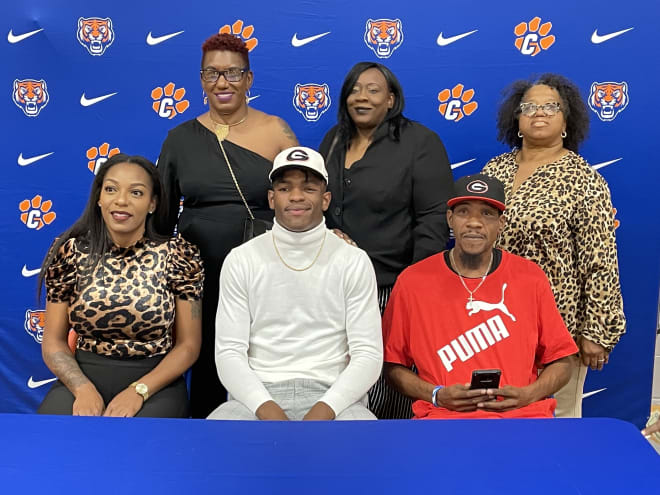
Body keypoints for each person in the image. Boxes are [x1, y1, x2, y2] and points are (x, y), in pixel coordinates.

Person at [156, 33, 299, 418]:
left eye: (233, 73)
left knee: (264, 353)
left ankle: (277, 433)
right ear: (201, 80)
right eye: (212, 73)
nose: (222, 83)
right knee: (207, 357)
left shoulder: (276, 131)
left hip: (267, 269)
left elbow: (301, 197)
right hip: (200, 274)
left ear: (249, 80)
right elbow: (161, 221)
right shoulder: (180, 139)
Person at [481, 73, 626, 417]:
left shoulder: (583, 178)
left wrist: (597, 331)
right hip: (491, 324)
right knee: (491, 417)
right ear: (516, 118)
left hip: (556, 330)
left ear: (566, 119)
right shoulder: (494, 170)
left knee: (553, 426)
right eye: (529, 106)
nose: (539, 112)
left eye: (550, 106)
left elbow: (600, 262)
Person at [318, 61, 454, 419]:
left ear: (391, 99)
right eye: (354, 89)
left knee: (386, 384)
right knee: (340, 383)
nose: (361, 97)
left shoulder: (420, 143)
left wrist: (415, 285)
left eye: (373, 90)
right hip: (335, 287)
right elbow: (318, 203)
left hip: (391, 286)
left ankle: (385, 456)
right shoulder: (333, 140)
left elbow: (434, 218)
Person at [383, 174, 578, 419]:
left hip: (522, 418)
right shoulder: (413, 281)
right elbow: (392, 365)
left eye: (487, 214)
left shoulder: (530, 277)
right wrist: (436, 394)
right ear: (450, 219)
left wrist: (530, 394)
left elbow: (562, 360)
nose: (474, 223)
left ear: (501, 223)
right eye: (464, 212)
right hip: (443, 419)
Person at [208, 147, 382, 421]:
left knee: (364, 441)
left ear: (325, 200)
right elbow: (229, 353)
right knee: (217, 437)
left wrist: (325, 409)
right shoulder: (241, 259)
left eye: (309, 188)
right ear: (271, 198)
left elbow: (368, 354)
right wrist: (266, 408)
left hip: (334, 397)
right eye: (285, 188)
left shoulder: (353, 260)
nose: (297, 196)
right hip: (257, 396)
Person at [37, 154, 203, 417]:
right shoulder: (70, 251)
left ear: (152, 203)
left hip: (156, 381)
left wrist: (139, 391)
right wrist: (82, 389)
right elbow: (54, 343)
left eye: (136, 192)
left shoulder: (179, 254)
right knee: (51, 444)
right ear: (99, 198)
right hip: (82, 376)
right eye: (111, 189)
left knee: (141, 448)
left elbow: (188, 345)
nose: (121, 200)